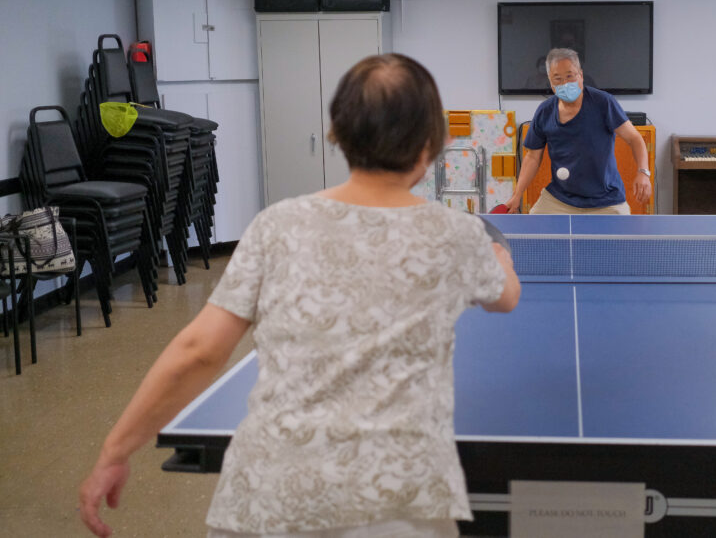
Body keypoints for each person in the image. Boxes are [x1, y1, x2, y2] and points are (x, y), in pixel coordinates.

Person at [78, 54, 521, 538]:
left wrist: (115, 451)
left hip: (268, 498)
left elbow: (198, 351)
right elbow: (505, 298)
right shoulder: (455, 235)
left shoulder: (277, 225)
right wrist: (499, 258)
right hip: (395, 504)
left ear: (339, 134)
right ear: (431, 143)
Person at [503, 48, 651, 215]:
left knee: (619, 239)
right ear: (551, 83)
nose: (565, 83)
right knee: (535, 232)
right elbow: (532, 157)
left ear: (580, 75)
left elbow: (634, 138)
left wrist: (643, 172)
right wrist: (517, 195)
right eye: (557, 79)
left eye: (570, 76)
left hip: (606, 199)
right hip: (559, 199)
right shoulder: (545, 111)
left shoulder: (603, 102)